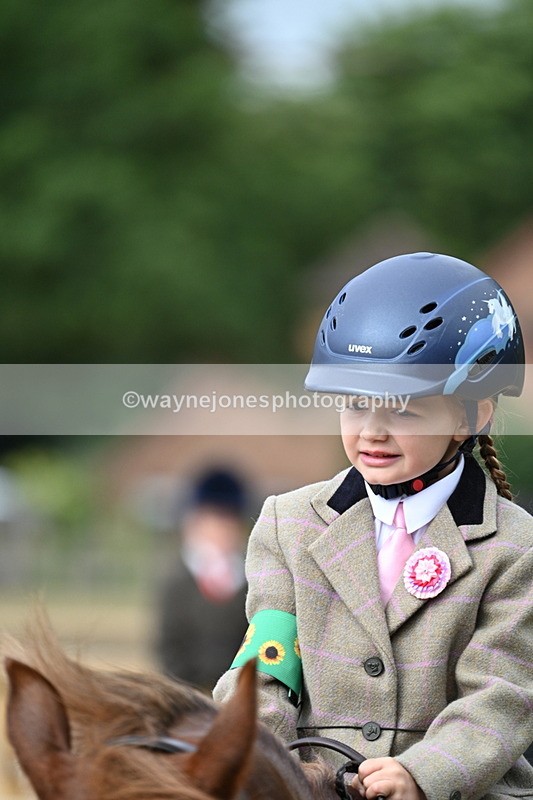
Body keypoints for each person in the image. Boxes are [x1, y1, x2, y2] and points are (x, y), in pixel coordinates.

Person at [213, 253, 533, 800]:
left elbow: (502, 698)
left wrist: (424, 773)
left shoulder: (516, 547)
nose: (373, 431)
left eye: (403, 411)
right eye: (356, 406)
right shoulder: (287, 525)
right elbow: (267, 670)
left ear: (470, 416)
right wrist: (260, 763)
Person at [156, 466, 249, 690]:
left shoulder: (249, 576)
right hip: (190, 695)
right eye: (215, 520)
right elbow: (169, 644)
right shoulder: (179, 578)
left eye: (229, 521)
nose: (222, 529)